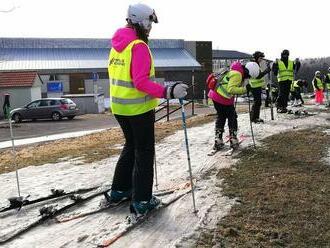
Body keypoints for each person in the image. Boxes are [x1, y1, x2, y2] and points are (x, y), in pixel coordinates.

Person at [106, 3, 188, 215]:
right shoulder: (138, 46)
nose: (151, 26)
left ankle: (119, 190)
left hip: (120, 107)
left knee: (131, 146)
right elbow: (141, 82)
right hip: (138, 108)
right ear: (140, 21)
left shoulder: (118, 45)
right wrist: (168, 92)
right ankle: (142, 200)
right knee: (143, 151)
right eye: (149, 21)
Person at [206, 61, 260, 151]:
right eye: (249, 76)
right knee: (232, 117)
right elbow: (231, 89)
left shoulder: (234, 71)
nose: (248, 78)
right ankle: (233, 139)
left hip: (215, 95)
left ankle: (218, 139)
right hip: (222, 98)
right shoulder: (238, 74)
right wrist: (245, 89)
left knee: (221, 117)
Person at [249, 51, 271, 123]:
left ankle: (254, 117)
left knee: (257, 102)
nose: (261, 59)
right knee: (257, 102)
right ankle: (254, 118)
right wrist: (266, 71)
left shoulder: (256, 64)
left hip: (257, 86)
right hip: (254, 86)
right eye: (260, 58)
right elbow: (258, 76)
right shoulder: (254, 65)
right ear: (256, 57)